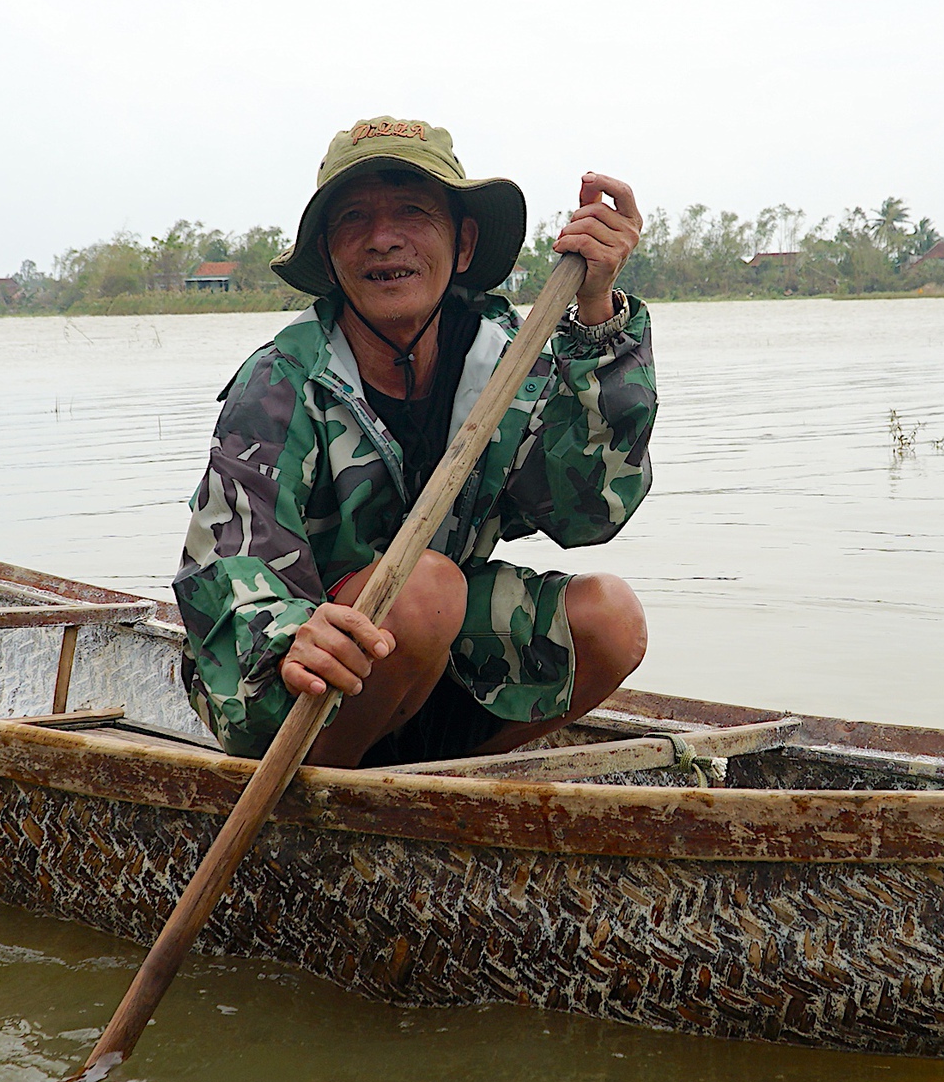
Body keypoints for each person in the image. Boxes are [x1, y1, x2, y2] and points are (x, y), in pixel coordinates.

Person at [174, 116, 656, 768]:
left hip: (435, 663)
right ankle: (328, 787)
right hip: (282, 682)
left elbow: (591, 510)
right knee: (425, 590)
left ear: (462, 244)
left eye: (411, 211)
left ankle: (444, 782)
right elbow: (226, 568)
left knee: (611, 620)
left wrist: (598, 318)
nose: (383, 239)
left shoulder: (507, 362)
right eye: (353, 218)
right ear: (328, 255)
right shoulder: (281, 384)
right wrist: (291, 636)